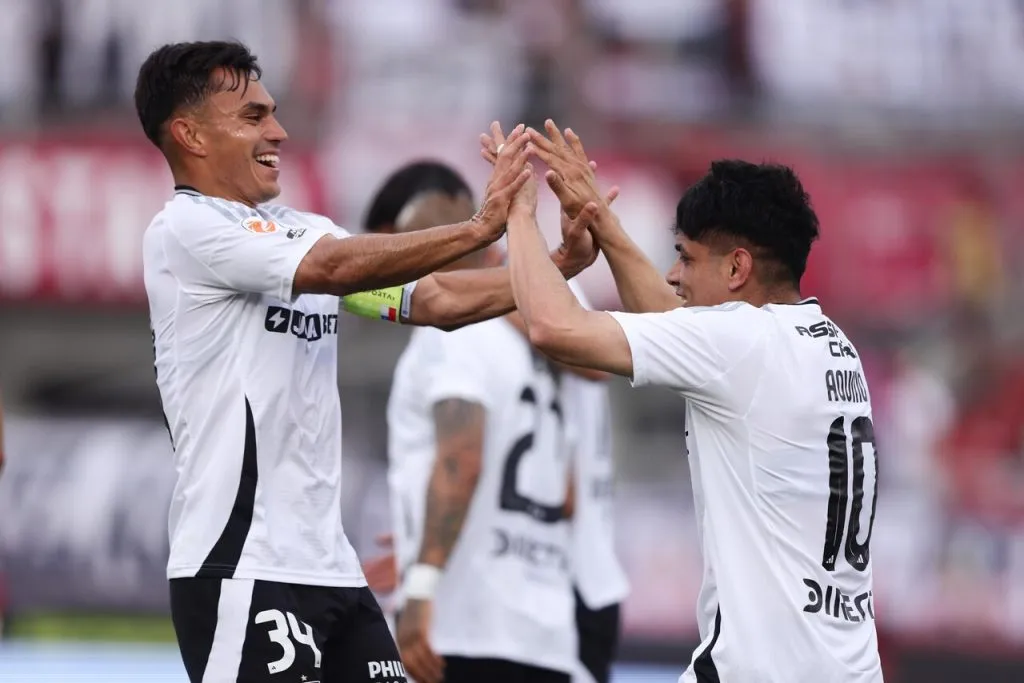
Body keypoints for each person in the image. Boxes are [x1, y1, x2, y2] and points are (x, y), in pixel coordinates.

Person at [134, 40, 596, 683]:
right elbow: (331, 267)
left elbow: (434, 299)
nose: (279, 131)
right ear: (189, 135)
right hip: (241, 564)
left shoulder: (302, 228)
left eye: (273, 112)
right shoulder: (185, 230)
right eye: (253, 117)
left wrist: (558, 266)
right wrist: (478, 227)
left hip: (332, 570)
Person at [501, 121, 884, 683]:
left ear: (736, 268)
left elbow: (553, 328)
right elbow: (675, 325)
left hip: (761, 670)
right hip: (847, 667)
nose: (674, 275)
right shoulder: (829, 346)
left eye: (685, 257)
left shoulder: (741, 343)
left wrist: (516, 212)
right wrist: (605, 225)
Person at [362, 159, 610, 683]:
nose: (381, 273)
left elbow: (465, 458)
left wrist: (424, 580)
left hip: (524, 598)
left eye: (388, 250)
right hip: (552, 592)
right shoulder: (540, 301)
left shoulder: (470, 328)